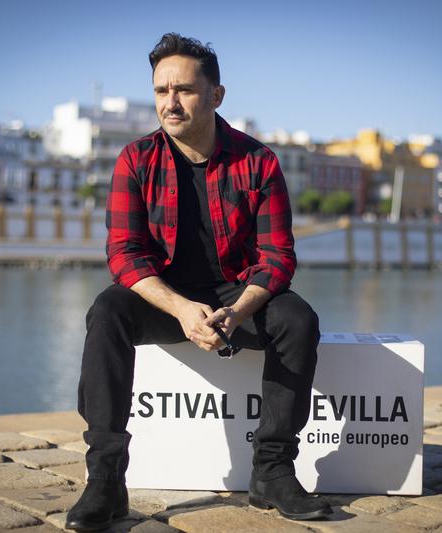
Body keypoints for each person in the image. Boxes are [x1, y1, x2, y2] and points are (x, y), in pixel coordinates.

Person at [66, 33, 332, 531]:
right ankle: (105, 479)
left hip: (237, 293)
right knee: (106, 311)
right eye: (161, 90)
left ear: (215, 95)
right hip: (163, 295)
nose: (171, 102)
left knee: (297, 319)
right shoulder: (135, 160)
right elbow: (123, 256)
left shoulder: (259, 161)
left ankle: (272, 472)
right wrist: (183, 309)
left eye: (184, 90)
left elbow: (277, 257)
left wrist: (240, 310)